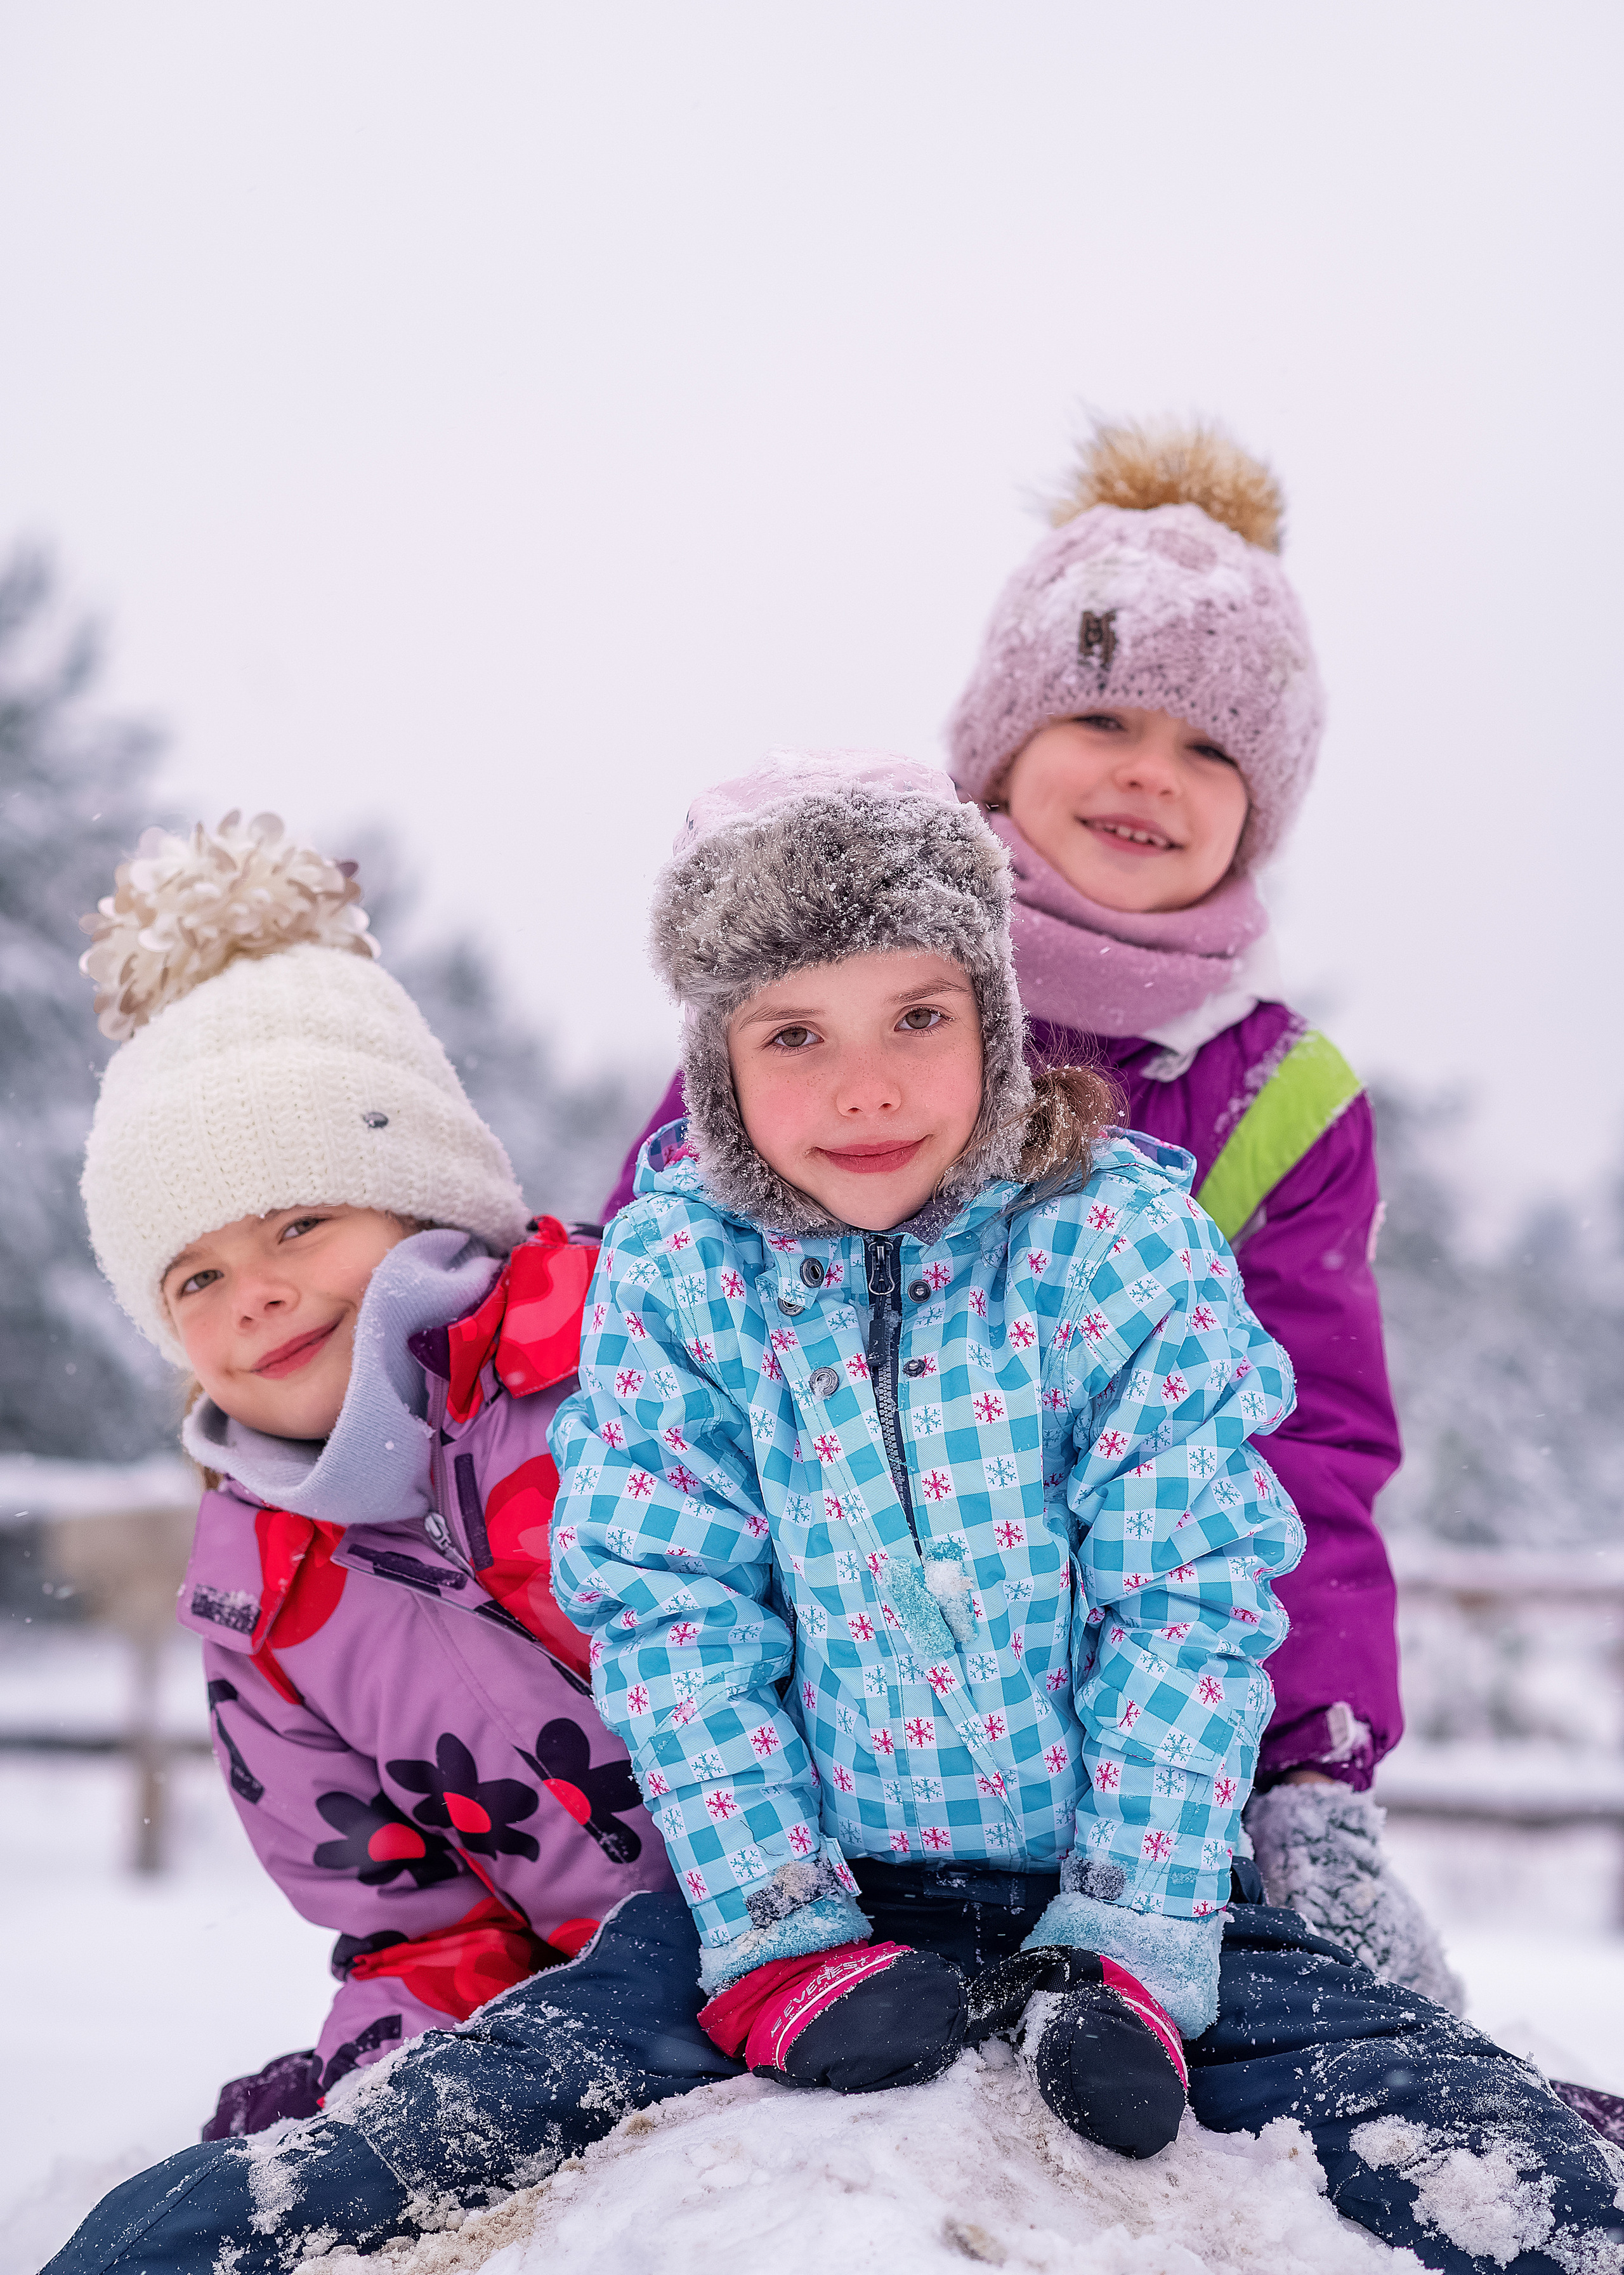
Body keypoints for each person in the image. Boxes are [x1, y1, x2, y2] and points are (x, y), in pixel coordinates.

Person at [53, 766, 1624, 2275]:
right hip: (804, 1883)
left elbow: (1186, 1601)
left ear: (993, 1022)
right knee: (439, 2126)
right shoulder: (681, 1282)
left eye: (915, 1018)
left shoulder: (1118, 1247)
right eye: (792, 1033)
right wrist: (779, 1932)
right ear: (720, 1067)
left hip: (1134, 1874)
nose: (861, 1085)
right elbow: (674, 1620)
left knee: (1458, 2128)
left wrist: (1134, 1943)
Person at [602, 423, 1441, 1998]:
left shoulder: (1276, 1096)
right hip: (825, 1753)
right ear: (994, 749)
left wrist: (1308, 1762)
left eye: (1211, 751)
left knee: (1366, 2027)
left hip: (1154, 1766)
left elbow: (1306, 1447)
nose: (1148, 773)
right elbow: (653, 1393)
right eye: (1104, 716)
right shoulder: (815, 1002)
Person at [75, 813, 674, 2128]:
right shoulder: (261, 1598)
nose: (259, 1294)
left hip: (855, 1913)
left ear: (424, 1199)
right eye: (197, 1275)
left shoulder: (625, 1360)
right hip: (598, 2007)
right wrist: (398, 2066)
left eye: (300, 1221)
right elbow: (403, 1916)